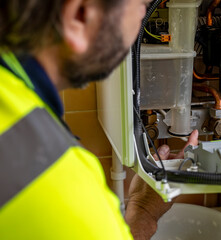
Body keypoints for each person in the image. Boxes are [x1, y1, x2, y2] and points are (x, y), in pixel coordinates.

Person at [0, 0, 198, 239]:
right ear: (80, 15)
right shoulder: (54, 177)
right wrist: (144, 211)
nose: (142, 17)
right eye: (141, 5)